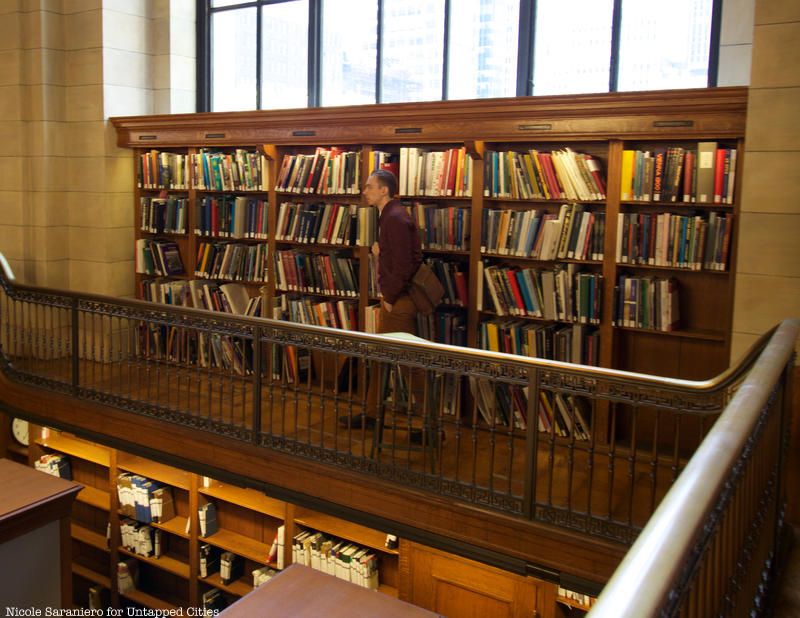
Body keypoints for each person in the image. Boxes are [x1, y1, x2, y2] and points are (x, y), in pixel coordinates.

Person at [340, 169, 423, 431]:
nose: (365, 191)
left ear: (383, 190)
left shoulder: (395, 218)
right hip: (397, 297)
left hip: (399, 300)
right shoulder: (390, 216)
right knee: (382, 357)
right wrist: (381, 252)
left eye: (369, 187)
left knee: (408, 362)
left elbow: (404, 264)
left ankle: (429, 424)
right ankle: (373, 413)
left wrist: (389, 296)